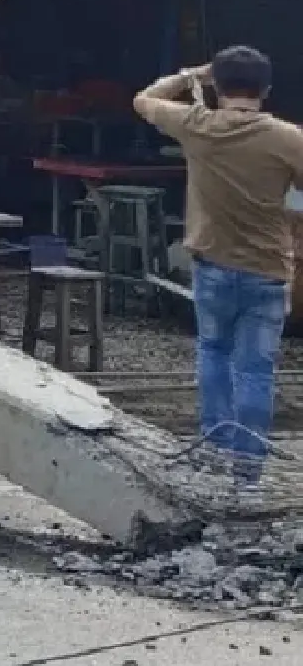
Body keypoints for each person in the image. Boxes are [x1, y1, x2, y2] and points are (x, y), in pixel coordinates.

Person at [133, 47, 302, 481]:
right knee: (256, 369)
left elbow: (144, 99)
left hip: (212, 266)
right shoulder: (288, 138)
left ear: (219, 86)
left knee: (213, 353)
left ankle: (213, 451)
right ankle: (248, 468)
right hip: (268, 272)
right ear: (265, 90)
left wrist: (193, 73)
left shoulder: (196, 124)